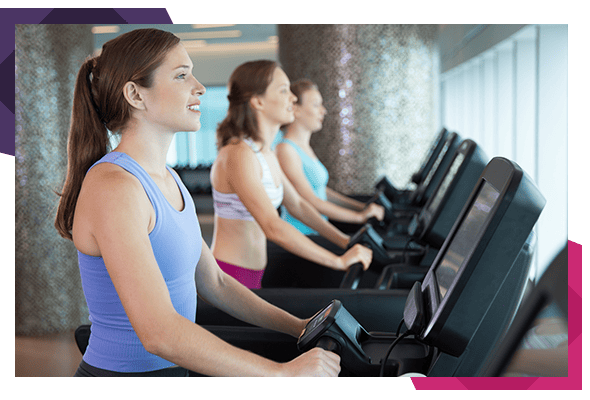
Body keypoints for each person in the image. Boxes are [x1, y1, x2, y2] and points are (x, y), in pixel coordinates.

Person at [54, 28, 341, 377]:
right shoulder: (114, 186)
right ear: (135, 94)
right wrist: (282, 373)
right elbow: (159, 334)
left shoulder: (168, 178)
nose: (200, 87)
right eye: (181, 75)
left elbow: (214, 283)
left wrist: (296, 325)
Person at [210, 60, 372, 290]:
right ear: (257, 101)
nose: (293, 98)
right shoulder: (238, 154)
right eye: (284, 90)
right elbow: (272, 226)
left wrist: (345, 241)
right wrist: (338, 261)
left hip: (255, 272)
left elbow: (297, 204)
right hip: (232, 275)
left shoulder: (265, 151)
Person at [276, 79, 385, 235]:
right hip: (301, 233)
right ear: (296, 109)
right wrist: (358, 217)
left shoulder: (304, 148)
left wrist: (362, 207)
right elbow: (310, 201)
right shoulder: (286, 150)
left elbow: (320, 191)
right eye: (315, 105)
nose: (323, 111)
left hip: (316, 231)